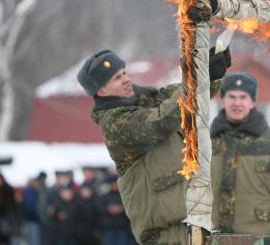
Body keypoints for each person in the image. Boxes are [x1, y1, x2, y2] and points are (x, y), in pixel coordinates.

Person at [77, 44, 230, 243]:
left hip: (196, 224)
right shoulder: (115, 124)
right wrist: (197, 79)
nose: (126, 79)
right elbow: (161, 121)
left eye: (124, 73)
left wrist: (211, 72)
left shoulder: (150, 98)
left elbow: (193, 99)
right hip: (164, 235)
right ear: (101, 92)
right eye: (116, 78)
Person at [210, 72, 270, 235]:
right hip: (211, 237)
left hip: (257, 237)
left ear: (252, 102)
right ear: (223, 100)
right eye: (231, 96)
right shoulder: (206, 143)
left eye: (243, 97)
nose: (237, 103)